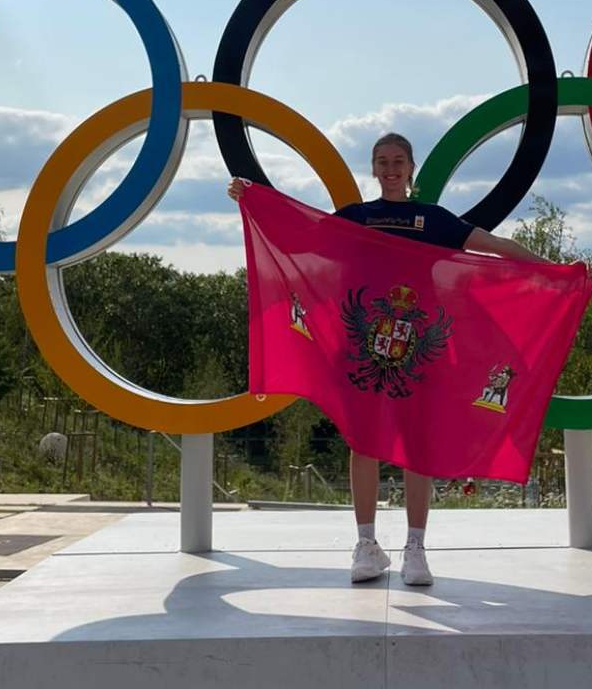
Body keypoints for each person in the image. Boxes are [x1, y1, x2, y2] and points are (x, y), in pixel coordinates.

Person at [228, 131, 551, 585]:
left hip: (420, 353)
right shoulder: (355, 219)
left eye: (398, 160)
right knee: (364, 443)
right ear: (374, 168)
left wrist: (551, 269)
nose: (391, 168)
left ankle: (415, 549)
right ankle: (366, 545)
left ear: (411, 167)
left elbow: (493, 246)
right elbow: (295, 236)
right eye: (382, 161)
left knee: (417, 447)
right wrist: (253, 200)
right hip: (363, 351)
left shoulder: (433, 219)